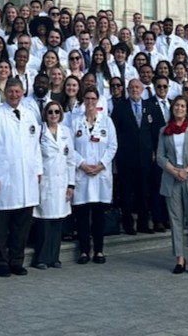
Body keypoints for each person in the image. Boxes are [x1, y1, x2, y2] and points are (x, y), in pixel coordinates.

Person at [0, 77, 43, 277]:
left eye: (17, 92)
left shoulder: (29, 115)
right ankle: (0, 262)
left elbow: (35, 148)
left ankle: (17, 260)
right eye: (10, 92)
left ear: (23, 92)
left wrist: (39, 170)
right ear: (4, 92)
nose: (14, 95)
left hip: (27, 177)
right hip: (4, 178)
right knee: (1, 225)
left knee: (22, 224)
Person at [157, 95, 188, 275]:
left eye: (183, 106)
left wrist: (187, 170)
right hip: (172, 178)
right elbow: (160, 157)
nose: (179, 109)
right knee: (176, 220)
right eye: (176, 106)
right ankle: (179, 258)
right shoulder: (164, 131)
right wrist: (174, 171)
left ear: (187, 110)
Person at [71, 87, 118, 265]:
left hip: (100, 175)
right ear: (83, 100)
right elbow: (70, 146)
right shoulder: (75, 122)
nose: (90, 101)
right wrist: (82, 164)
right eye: (87, 98)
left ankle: (99, 250)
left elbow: (112, 146)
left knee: (98, 215)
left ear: (98, 100)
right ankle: (84, 251)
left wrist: (100, 165)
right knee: (82, 215)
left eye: (93, 98)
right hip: (82, 173)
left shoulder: (107, 122)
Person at [111, 78, 160, 234]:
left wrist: (154, 151)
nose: (135, 90)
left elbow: (156, 131)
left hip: (145, 158)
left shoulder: (150, 107)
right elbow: (114, 132)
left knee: (144, 192)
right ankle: (128, 224)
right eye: (131, 87)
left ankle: (143, 223)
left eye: (137, 87)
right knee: (126, 193)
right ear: (127, 89)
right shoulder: (120, 107)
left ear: (142, 89)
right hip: (126, 157)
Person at [32, 101, 76, 269]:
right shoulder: (39, 131)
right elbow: (35, 156)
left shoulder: (66, 132)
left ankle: (54, 257)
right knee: (44, 221)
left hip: (62, 182)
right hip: (45, 182)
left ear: (61, 114)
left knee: (58, 220)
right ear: (46, 114)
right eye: (50, 112)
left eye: (57, 112)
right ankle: (41, 258)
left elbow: (71, 160)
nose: (53, 115)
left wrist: (71, 184)